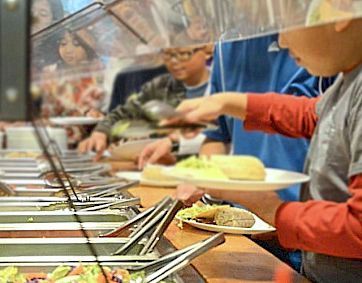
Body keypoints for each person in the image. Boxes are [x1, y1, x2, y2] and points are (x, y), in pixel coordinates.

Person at [165, 11, 362, 283]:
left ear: (338, 13)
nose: (280, 40)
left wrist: (269, 207)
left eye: (286, 23)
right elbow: (311, 115)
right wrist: (227, 102)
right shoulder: (349, 79)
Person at [78, 44, 213, 159]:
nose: (174, 61)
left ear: (207, 52)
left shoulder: (219, 86)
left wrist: (174, 142)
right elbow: (126, 112)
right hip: (158, 166)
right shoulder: (162, 84)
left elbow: (218, 135)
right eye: (168, 55)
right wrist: (101, 131)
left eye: (183, 54)